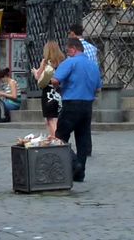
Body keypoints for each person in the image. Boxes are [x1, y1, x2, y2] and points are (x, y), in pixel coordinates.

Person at [53, 37, 101, 182]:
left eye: (68, 51)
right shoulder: (93, 65)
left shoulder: (70, 62)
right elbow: (98, 87)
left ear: (73, 49)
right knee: (82, 139)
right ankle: (80, 174)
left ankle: (75, 164)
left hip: (71, 102)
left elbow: (56, 80)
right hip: (87, 105)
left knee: (60, 136)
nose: (68, 53)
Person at [32, 40, 64, 139]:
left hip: (48, 94)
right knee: (57, 119)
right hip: (59, 93)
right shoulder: (62, 61)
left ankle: (56, 139)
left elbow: (38, 78)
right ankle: (56, 138)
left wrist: (35, 72)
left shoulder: (45, 62)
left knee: (50, 120)